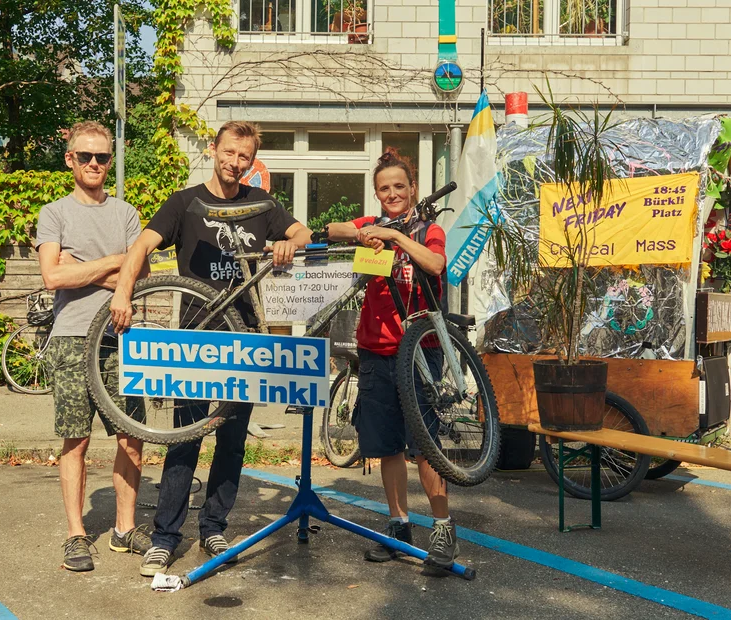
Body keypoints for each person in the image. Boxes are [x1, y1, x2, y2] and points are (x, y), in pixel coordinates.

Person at [109, 120, 312, 577]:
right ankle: (165, 537)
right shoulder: (186, 203)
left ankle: (214, 526)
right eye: (229, 153)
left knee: (232, 442)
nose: (235, 164)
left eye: (244, 157)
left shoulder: (262, 205)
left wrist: (286, 242)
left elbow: (304, 234)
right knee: (185, 440)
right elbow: (142, 244)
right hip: (194, 343)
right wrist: (123, 292)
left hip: (245, 344)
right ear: (213, 149)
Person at [326, 151, 459, 569]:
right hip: (375, 350)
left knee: (426, 448)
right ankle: (399, 525)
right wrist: (360, 233)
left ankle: (442, 529)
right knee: (387, 448)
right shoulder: (373, 226)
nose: (393, 194)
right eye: (384, 188)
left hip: (420, 352)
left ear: (412, 189)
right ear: (377, 194)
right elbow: (333, 228)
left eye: (399, 186)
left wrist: (398, 238)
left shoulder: (428, 229)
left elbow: (437, 264)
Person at [35, 121, 151, 572]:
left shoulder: (126, 215)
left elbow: (139, 277)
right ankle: (76, 535)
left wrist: (82, 265)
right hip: (70, 338)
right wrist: (115, 264)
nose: (95, 164)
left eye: (103, 157)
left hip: (121, 338)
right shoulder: (55, 213)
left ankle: (124, 530)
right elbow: (52, 277)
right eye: (86, 157)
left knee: (132, 436)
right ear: (70, 160)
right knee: (75, 439)